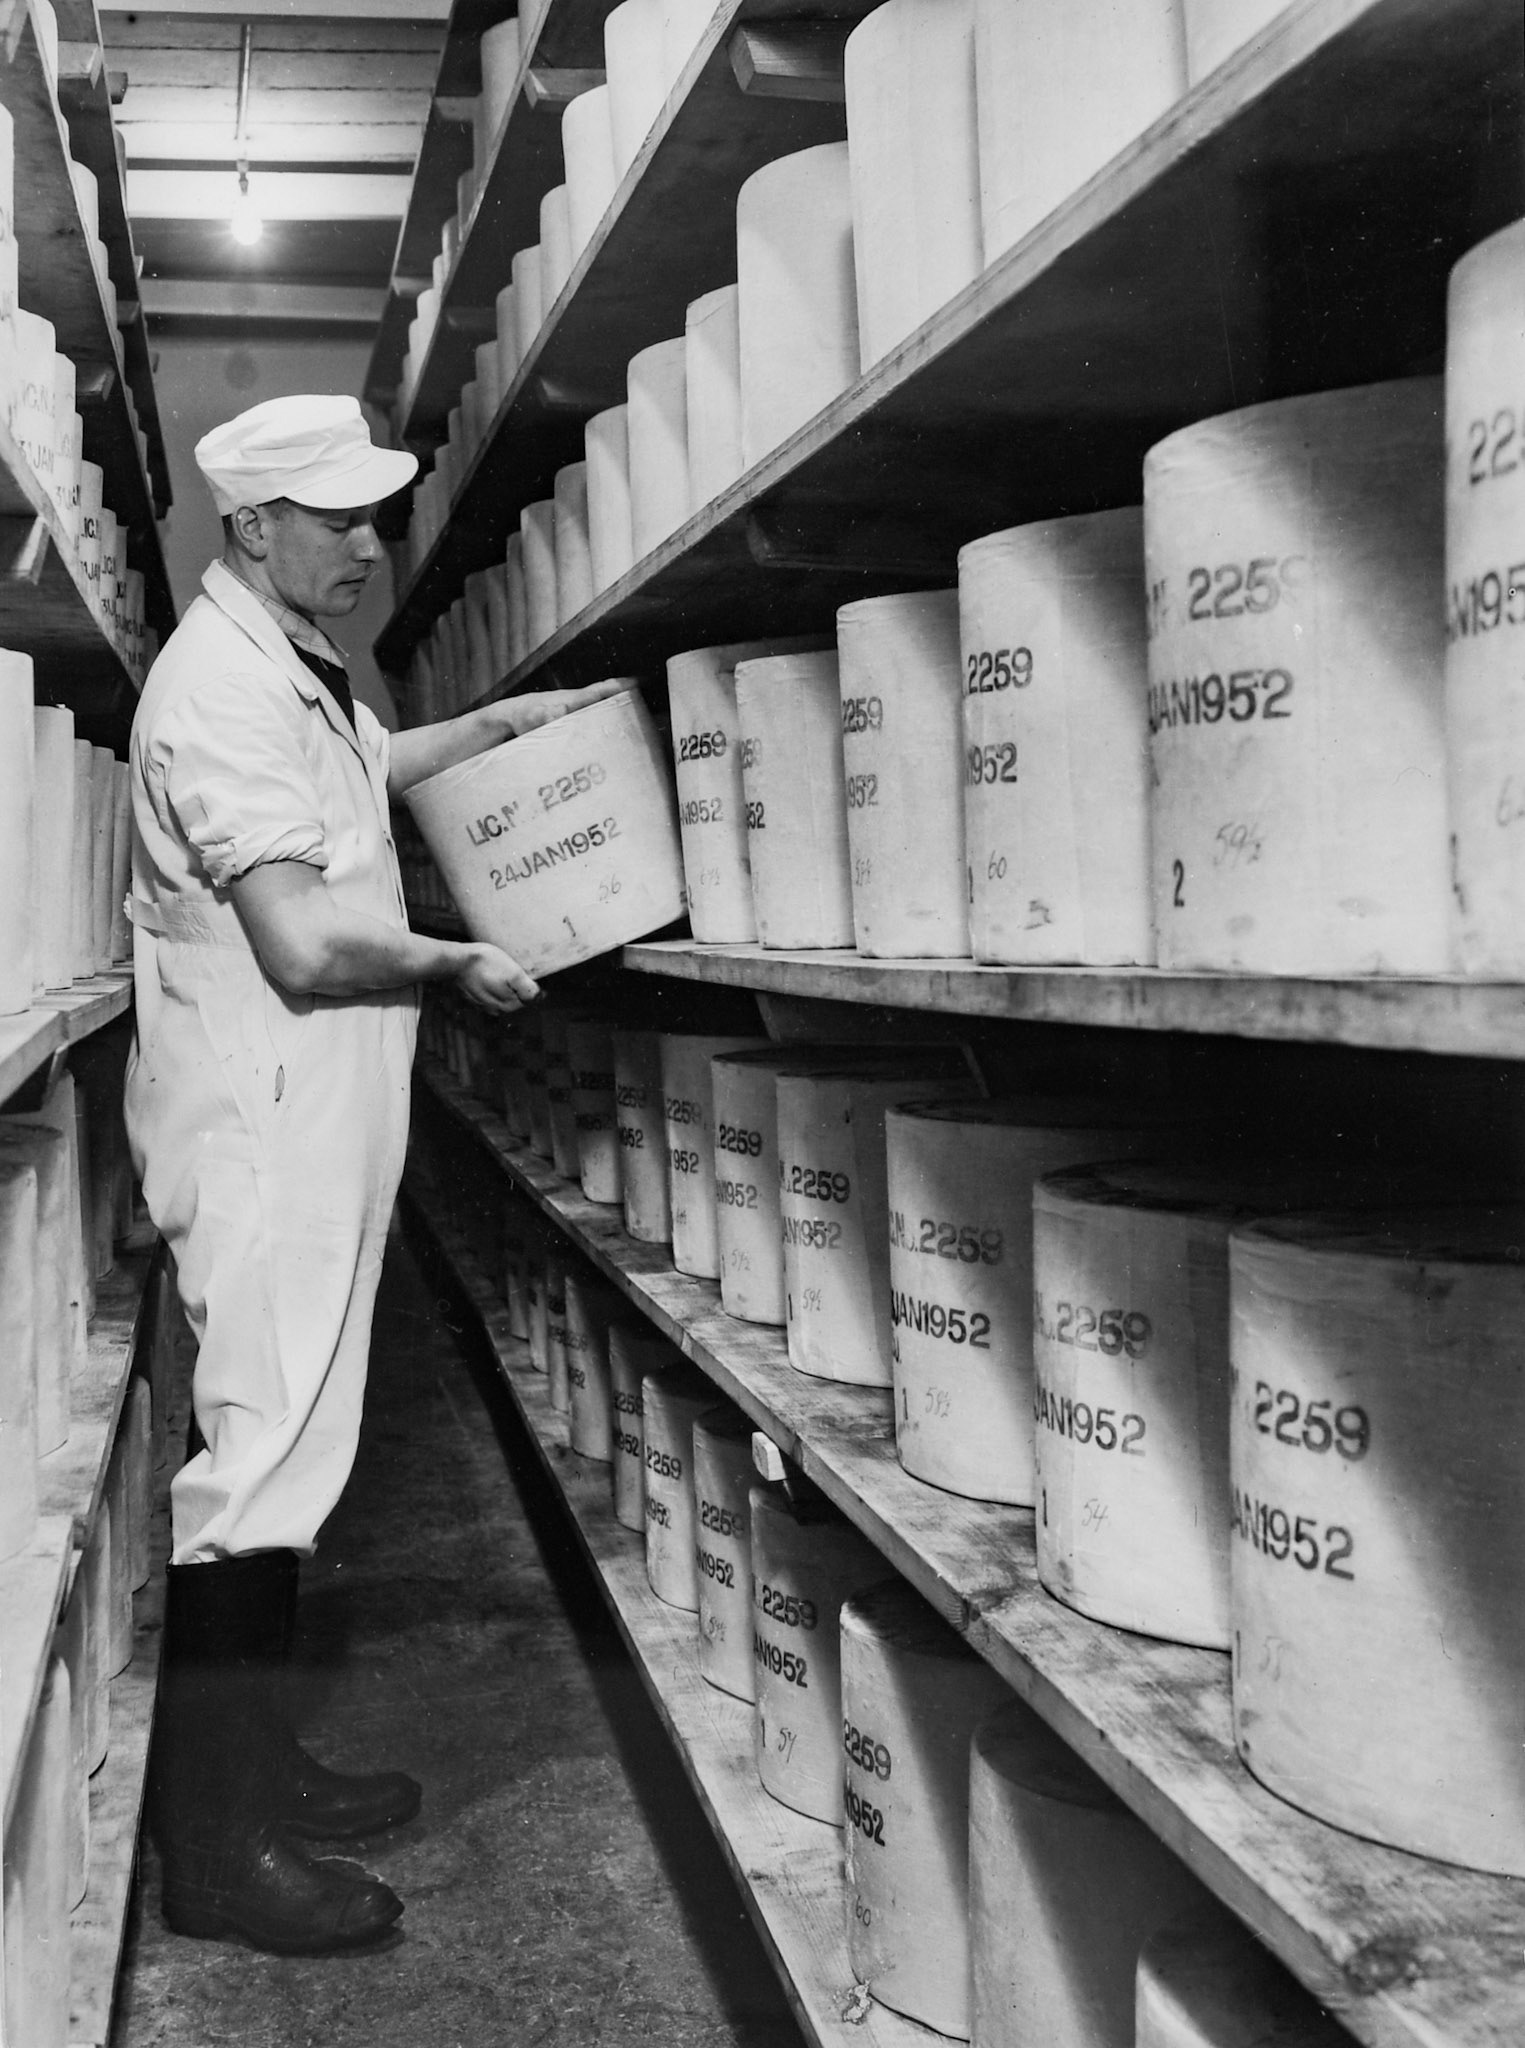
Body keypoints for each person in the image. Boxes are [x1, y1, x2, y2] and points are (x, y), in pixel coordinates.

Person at [126, 393, 620, 1956]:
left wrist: (489, 733)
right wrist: (456, 956)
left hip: (322, 1099)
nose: (369, 542)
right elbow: (302, 934)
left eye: (372, 513)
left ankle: (262, 1769)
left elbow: (349, 772)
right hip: (266, 1114)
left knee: (298, 1452)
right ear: (252, 526)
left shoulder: (296, 663)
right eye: (336, 519)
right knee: (255, 1473)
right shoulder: (213, 689)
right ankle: (218, 1862)